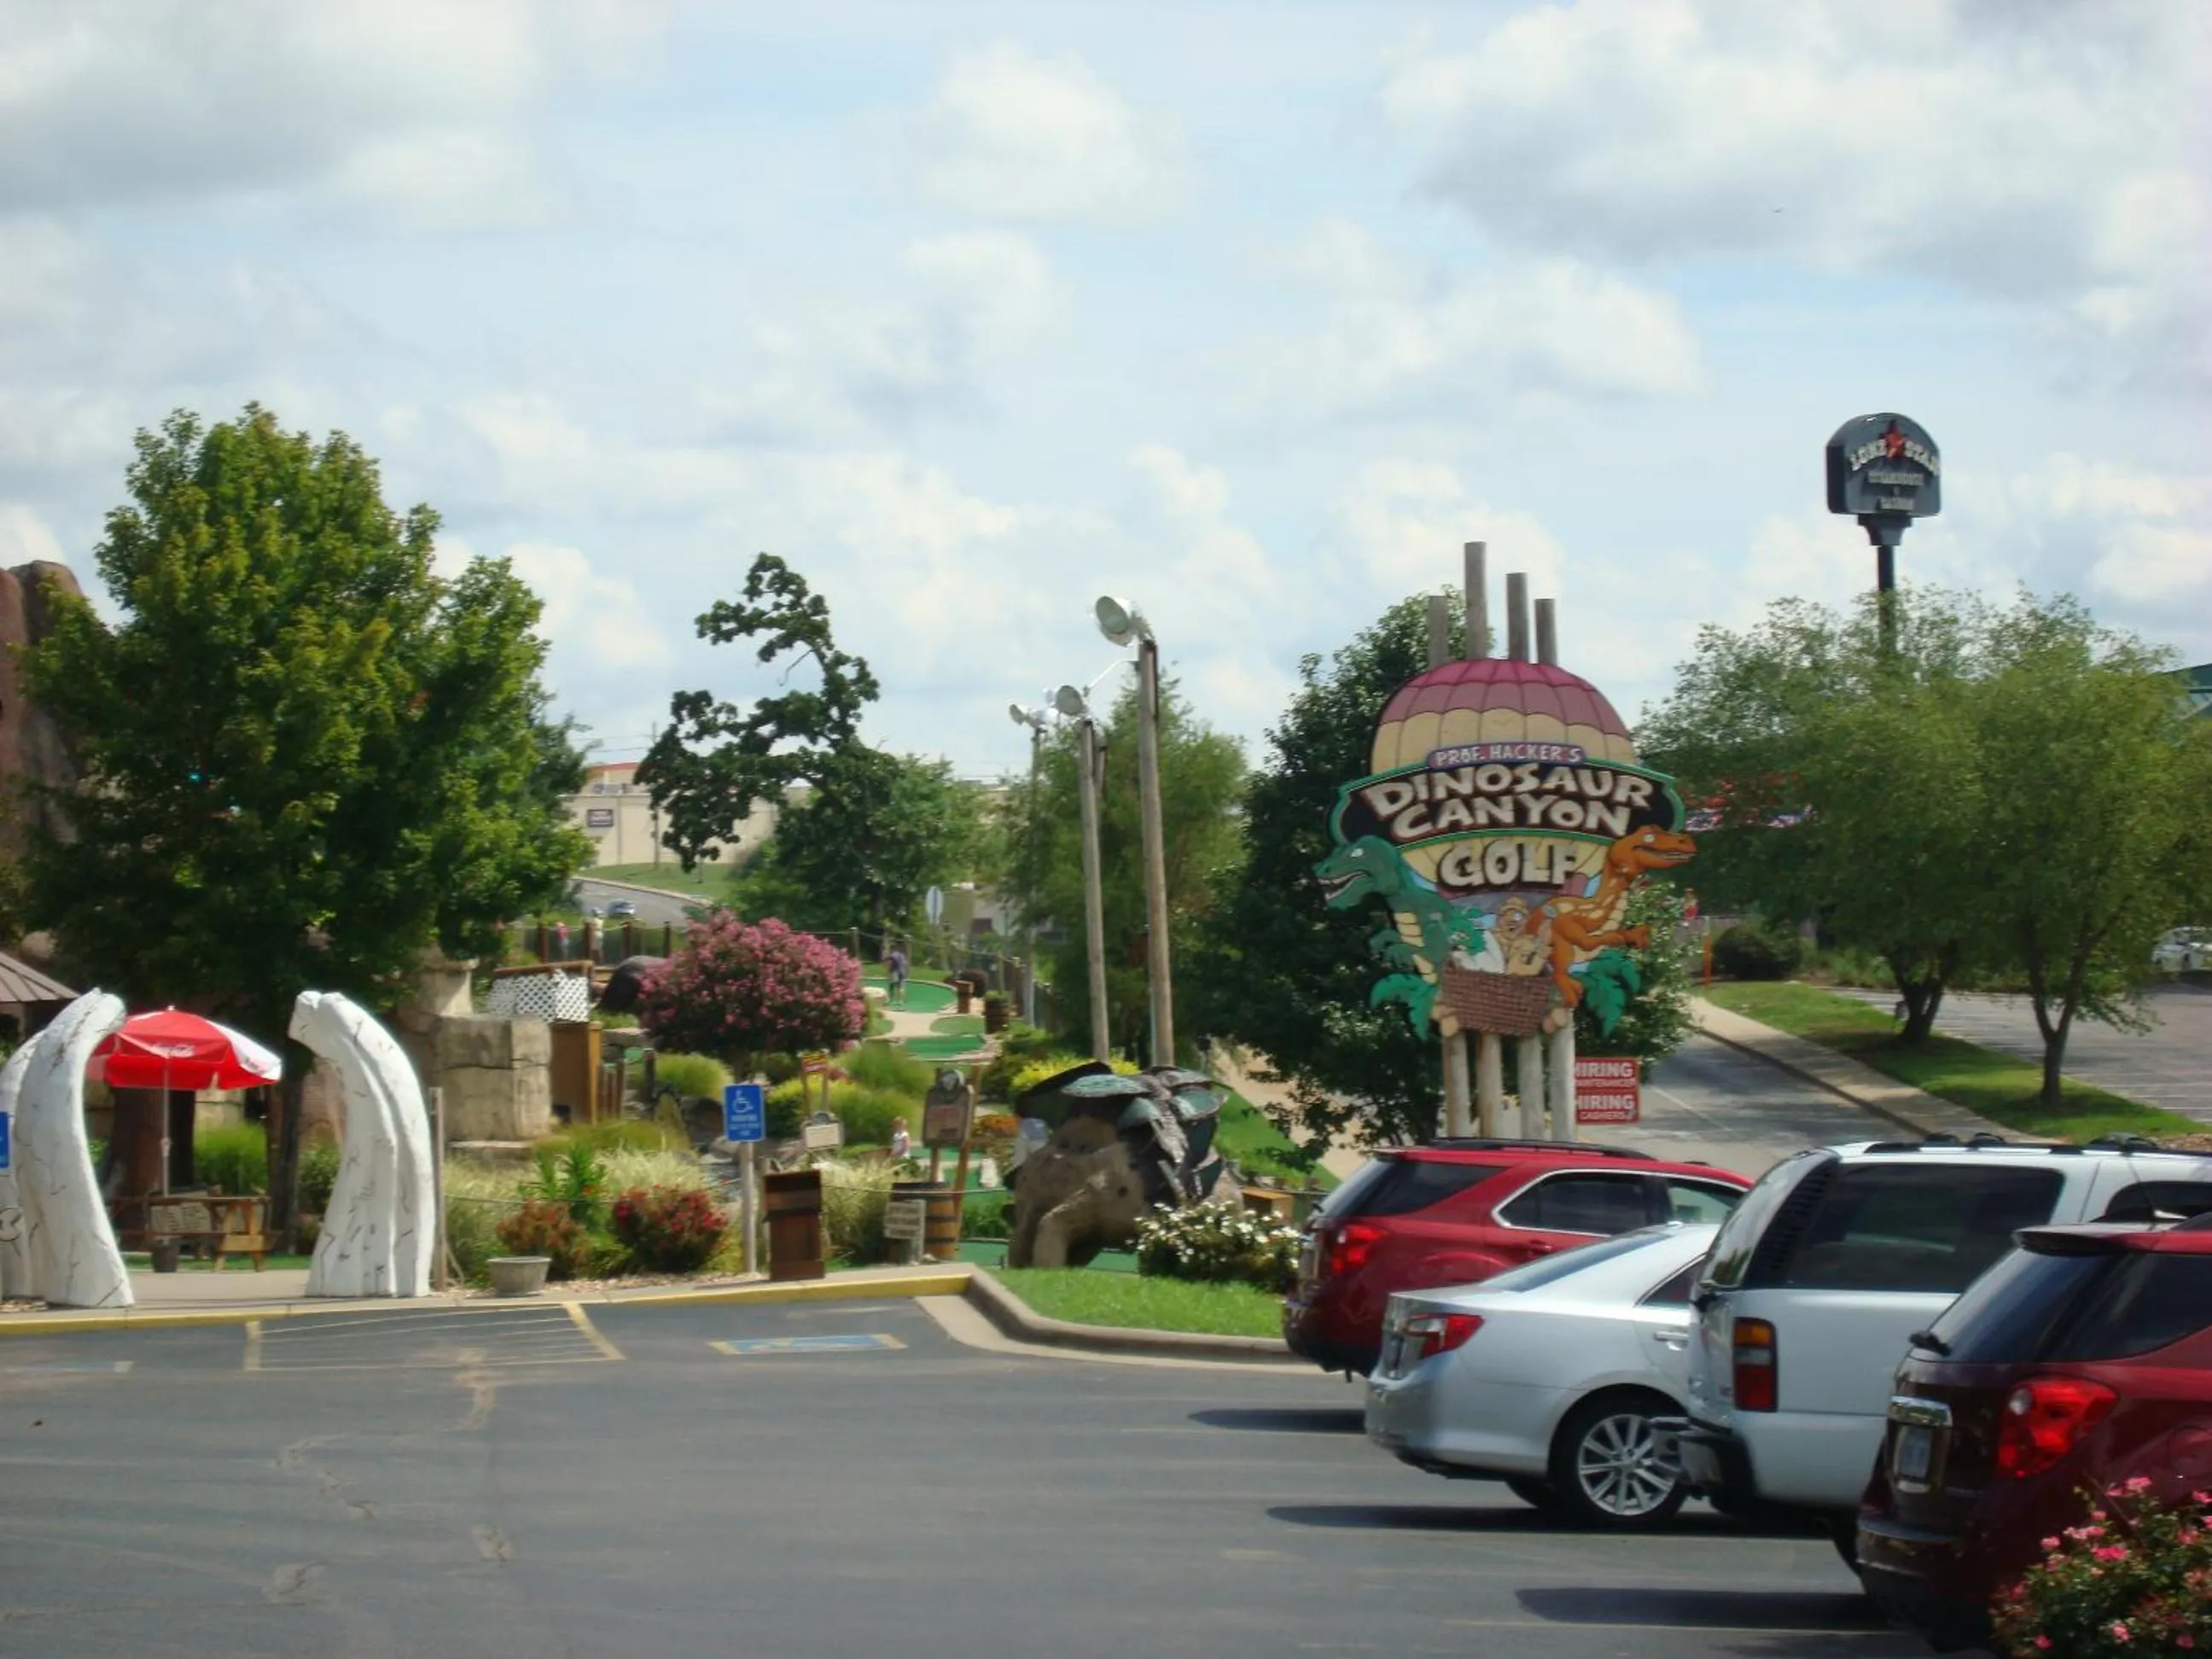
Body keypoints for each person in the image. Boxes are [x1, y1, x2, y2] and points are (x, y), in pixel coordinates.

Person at [887, 943, 908, 1008]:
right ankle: (900, 1001)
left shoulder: (894, 954)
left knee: (892, 986)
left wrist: (885, 959)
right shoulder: (902, 955)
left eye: (890, 949)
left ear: (892, 949)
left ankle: (890, 1000)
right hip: (902, 972)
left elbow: (891, 959)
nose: (890, 951)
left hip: (896, 972)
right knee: (900, 987)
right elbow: (905, 963)